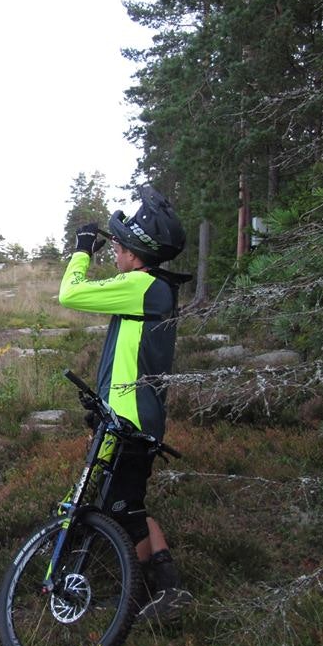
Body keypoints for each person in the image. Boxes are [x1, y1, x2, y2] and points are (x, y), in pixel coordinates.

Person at [58, 184, 193, 623]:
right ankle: (168, 586)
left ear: (135, 252)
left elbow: (70, 294)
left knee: (119, 511)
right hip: (135, 416)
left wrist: (80, 252)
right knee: (130, 503)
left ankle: (130, 600)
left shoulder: (140, 284)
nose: (114, 252)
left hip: (130, 421)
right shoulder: (155, 287)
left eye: (117, 246)